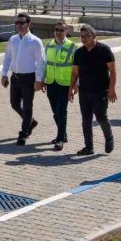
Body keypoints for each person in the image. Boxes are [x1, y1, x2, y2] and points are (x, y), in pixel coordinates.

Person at [68, 24, 117, 155]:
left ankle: (109, 137)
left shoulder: (104, 50)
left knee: (101, 117)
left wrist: (112, 89)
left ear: (94, 36)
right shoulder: (79, 52)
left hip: (101, 91)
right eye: (81, 36)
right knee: (86, 120)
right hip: (84, 91)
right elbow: (75, 72)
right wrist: (71, 88)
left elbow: (113, 71)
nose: (83, 39)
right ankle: (89, 147)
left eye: (86, 36)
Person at [0, 12, 46, 145]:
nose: (19, 25)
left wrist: (38, 80)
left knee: (27, 106)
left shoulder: (35, 41)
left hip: (29, 78)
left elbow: (41, 62)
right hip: (15, 77)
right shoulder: (12, 39)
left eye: (22, 23)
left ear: (29, 24)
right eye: (17, 23)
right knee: (14, 104)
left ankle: (24, 133)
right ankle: (31, 121)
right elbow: (7, 57)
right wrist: (4, 74)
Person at [43, 21, 77, 151]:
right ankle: (63, 135)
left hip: (65, 84)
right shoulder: (48, 45)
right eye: (56, 30)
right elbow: (44, 64)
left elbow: (77, 68)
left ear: (66, 31)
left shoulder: (72, 46)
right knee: (55, 113)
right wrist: (42, 80)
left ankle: (60, 139)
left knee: (61, 112)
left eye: (61, 30)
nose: (58, 32)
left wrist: (75, 86)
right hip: (51, 83)